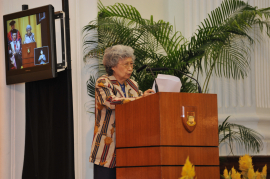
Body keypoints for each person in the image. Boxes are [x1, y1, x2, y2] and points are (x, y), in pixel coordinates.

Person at [89, 45, 154, 179]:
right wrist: (140, 98)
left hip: (129, 148)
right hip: (107, 149)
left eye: (131, 64)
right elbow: (110, 101)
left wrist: (148, 99)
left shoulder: (133, 85)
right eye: (125, 64)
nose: (130, 68)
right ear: (113, 66)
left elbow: (139, 105)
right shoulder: (103, 82)